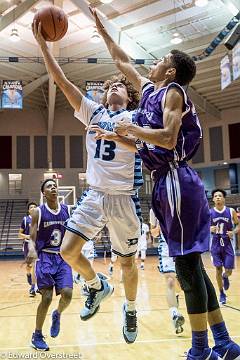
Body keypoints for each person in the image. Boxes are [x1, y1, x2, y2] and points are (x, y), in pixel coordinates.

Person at [92, 8, 240, 359]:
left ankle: (200, 348)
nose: (152, 63)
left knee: (186, 269)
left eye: (159, 60)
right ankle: (222, 342)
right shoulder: (147, 93)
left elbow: (169, 138)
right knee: (193, 266)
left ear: (170, 70)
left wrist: (130, 128)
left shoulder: (172, 91)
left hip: (177, 179)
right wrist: (102, 30)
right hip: (164, 182)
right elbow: (121, 60)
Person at [32, 21, 143, 344]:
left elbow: (147, 150)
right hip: (94, 195)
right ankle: (96, 286)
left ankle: (131, 308)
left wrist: (119, 136)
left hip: (124, 197)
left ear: (129, 95)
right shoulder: (92, 112)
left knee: (127, 263)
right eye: (109, 87)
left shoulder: (137, 119)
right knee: (68, 251)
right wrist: (43, 44)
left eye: (119, 87)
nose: (113, 89)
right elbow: (61, 79)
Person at [27, 179, 73, 351]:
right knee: (46, 298)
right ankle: (37, 334)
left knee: (67, 294)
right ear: (43, 193)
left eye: (55, 185)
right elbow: (31, 237)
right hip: (45, 256)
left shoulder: (68, 210)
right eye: (49, 186)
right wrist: (32, 251)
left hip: (62, 257)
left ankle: (57, 314)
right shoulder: (38, 212)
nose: (53, 187)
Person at [150, 208, 185, 334]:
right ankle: (174, 314)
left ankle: (175, 296)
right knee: (170, 280)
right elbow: (153, 232)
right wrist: (156, 231)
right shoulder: (154, 209)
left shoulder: (181, 202)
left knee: (181, 284)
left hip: (183, 245)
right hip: (166, 247)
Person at [210, 189, 240, 305]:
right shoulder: (209, 212)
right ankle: (221, 293)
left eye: (220, 196)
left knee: (229, 270)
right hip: (215, 243)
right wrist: (209, 229)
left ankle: (225, 276)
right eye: (215, 196)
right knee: (218, 268)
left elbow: (238, 224)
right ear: (213, 199)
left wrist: (234, 231)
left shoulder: (231, 211)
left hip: (227, 243)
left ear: (223, 198)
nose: (217, 197)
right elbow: (202, 227)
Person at [18, 202, 38, 297]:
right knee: (29, 266)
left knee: (36, 266)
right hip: (28, 244)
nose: (33, 208)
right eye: (31, 207)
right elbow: (19, 234)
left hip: (38, 245)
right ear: (28, 210)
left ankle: (33, 287)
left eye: (35, 207)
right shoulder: (25, 220)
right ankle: (28, 274)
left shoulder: (40, 219)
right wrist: (27, 236)